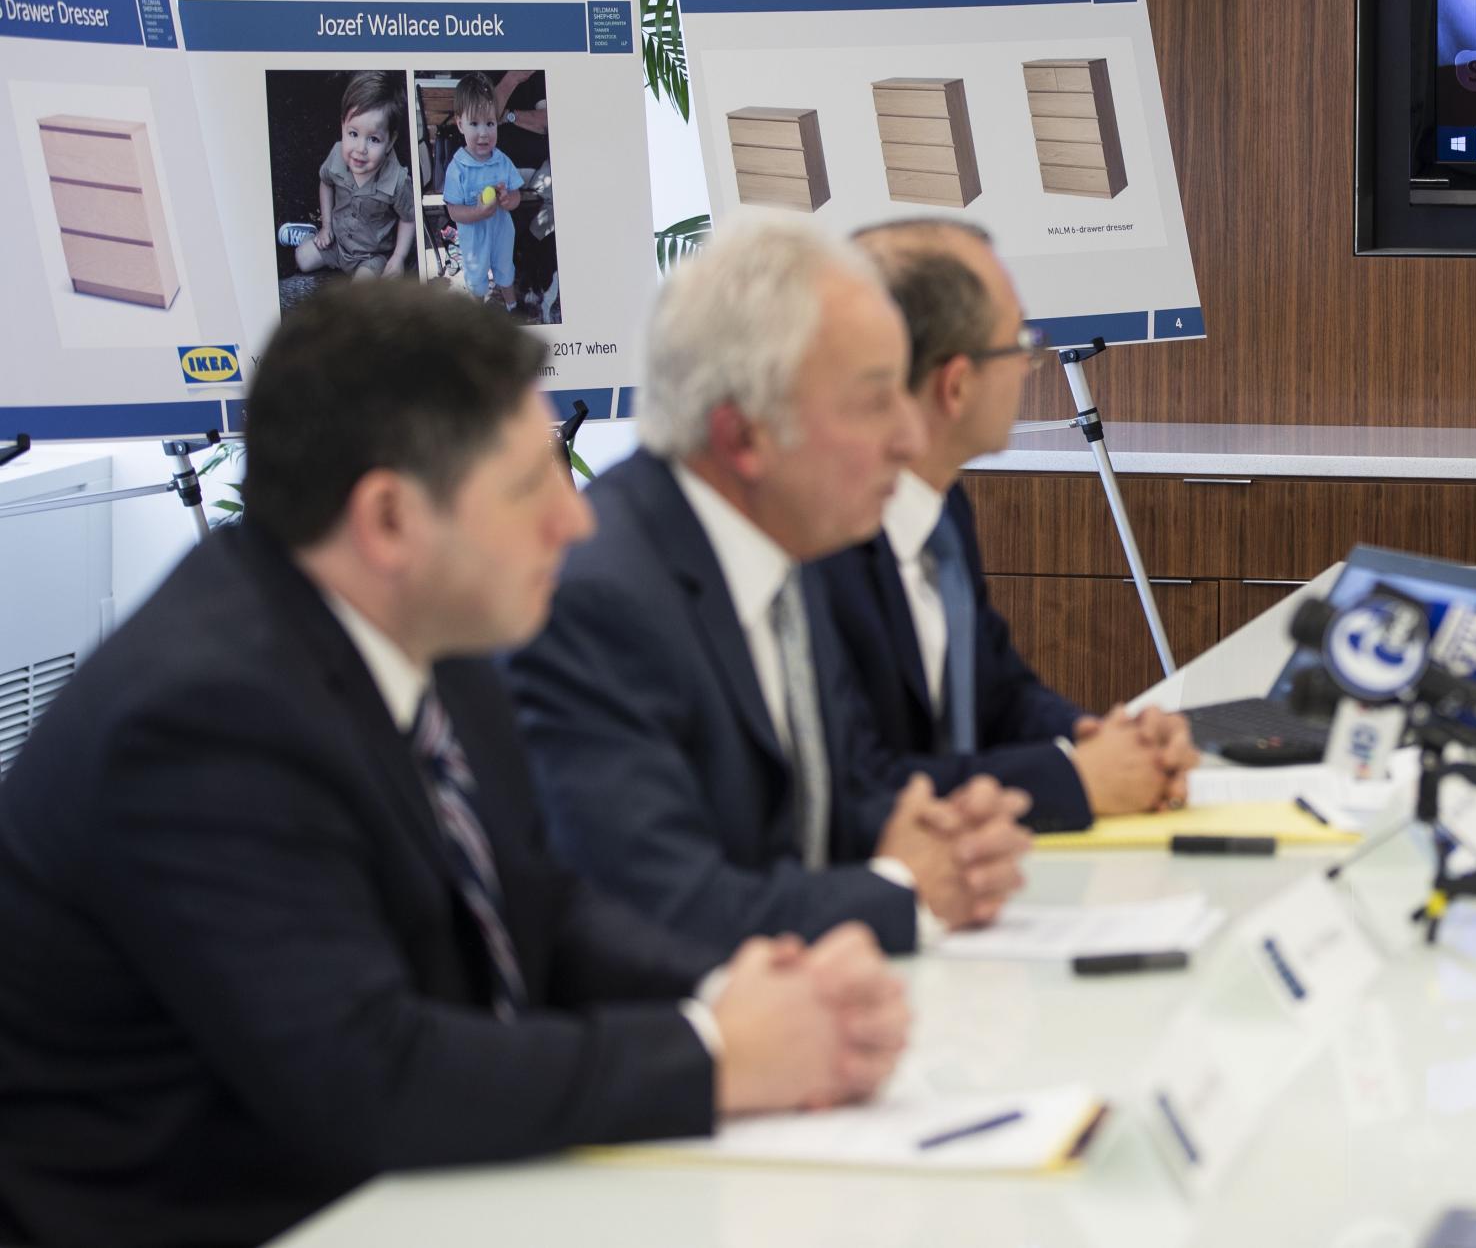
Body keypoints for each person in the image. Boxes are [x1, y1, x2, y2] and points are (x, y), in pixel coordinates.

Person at [0, 281, 910, 1248]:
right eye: (530, 487)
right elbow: (368, 1074)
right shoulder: (202, 717)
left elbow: (544, 914)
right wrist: (717, 1053)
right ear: (389, 518)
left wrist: (735, 984)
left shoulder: (433, 643)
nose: (579, 520)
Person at [508, 219, 1033, 959]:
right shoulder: (599, 603)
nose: (909, 440)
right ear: (744, 436)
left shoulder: (785, 545)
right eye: (872, 401)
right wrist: (905, 890)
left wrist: (946, 838)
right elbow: (663, 908)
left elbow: (841, 797)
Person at [819, 220, 1199, 833]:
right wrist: (1077, 780)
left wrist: (1099, 739)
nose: (1031, 363)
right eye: (1020, 339)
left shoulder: (939, 505)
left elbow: (997, 691)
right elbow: (855, 785)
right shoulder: (817, 543)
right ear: (957, 383)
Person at [292, 68, 414, 279]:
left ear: (390, 141)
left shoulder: (397, 180)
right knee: (302, 258)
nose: (360, 149)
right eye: (353, 133)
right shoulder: (337, 157)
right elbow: (326, 182)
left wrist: (398, 257)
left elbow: (409, 218)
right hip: (337, 241)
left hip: (370, 255)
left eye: (373, 139)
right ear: (342, 126)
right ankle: (310, 233)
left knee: (361, 289)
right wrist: (326, 226)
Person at [441, 70, 528, 307]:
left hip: (501, 233)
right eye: (474, 123)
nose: (483, 133)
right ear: (460, 124)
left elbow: (516, 194)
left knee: (505, 269)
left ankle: (512, 306)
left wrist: (510, 199)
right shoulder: (457, 168)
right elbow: (453, 211)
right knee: (477, 277)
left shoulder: (501, 161)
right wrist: (477, 213)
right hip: (473, 239)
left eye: (490, 123)